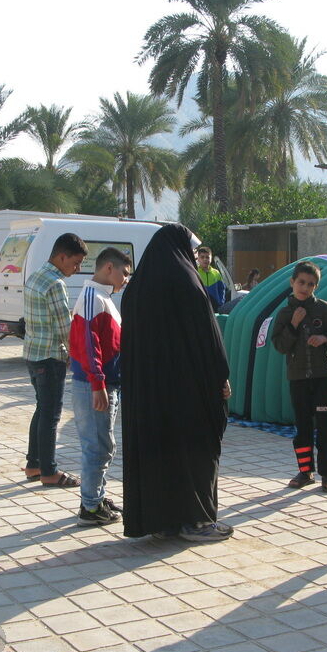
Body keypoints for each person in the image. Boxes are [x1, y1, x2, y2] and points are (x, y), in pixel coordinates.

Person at [121, 224, 232, 541]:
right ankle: (195, 520)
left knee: (158, 453)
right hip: (188, 393)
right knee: (195, 450)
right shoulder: (187, 285)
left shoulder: (136, 291)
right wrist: (220, 377)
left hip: (148, 398)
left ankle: (162, 520)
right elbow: (208, 340)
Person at [272, 261, 327, 494]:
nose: (305, 288)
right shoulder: (285, 313)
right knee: (302, 426)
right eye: (301, 282)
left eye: (311, 284)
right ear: (292, 282)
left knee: (326, 427)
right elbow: (280, 345)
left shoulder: (325, 309)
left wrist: (326, 338)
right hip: (298, 379)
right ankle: (305, 472)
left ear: (316, 286)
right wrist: (293, 324)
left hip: (322, 377)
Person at [69, 247, 131, 526]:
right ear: (109, 268)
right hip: (95, 385)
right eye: (124, 273)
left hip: (105, 382)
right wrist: (98, 384)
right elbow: (88, 344)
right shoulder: (93, 298)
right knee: (97, 447)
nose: (126, 279)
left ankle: (97, 496)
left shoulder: (102, 297)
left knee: (103, 445)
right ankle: (90, 507)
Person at [21, 233, 88, 488]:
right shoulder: (55, 283)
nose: (77, 268)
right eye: (76, 262)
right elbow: (65, 328)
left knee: (42, 410)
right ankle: (49, 471)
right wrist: (77, 355)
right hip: (50, 357)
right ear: (62, 257)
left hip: (32, 354)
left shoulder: (36, 276)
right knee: (51, 415)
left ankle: (33, 464)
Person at [195, 245, 226, 311]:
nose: (205, 259)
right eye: (202, 257)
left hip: (215, 307)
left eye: (207, 257)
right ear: (198, 258)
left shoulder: (216, 273)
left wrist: (221, 303)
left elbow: (221, 289)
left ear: (211, 258)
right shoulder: (195, 272)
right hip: (200, 306)